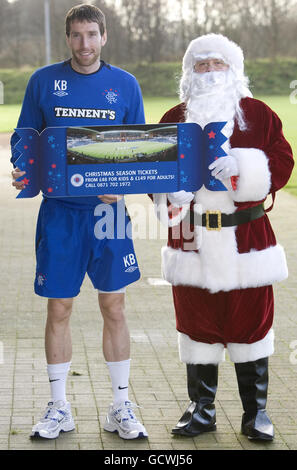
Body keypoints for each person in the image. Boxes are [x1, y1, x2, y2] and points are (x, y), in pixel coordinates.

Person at [10, 4, 147, 441]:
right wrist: (21, 168)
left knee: (115, 306)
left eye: (92, 35)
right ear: (67, 37)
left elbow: (138, 149)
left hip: (108, 214)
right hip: (60, 214)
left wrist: (122, 185)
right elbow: (24, 138)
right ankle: (59, 406)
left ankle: (121, 405)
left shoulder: (125, 85)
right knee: (59, 307)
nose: (84, 44)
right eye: (76, 36)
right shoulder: (43, 82)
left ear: (104, 37)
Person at [152, 33, 294, 440]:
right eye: (201, 65)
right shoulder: (173, 118)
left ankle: (256, 413)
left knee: (251, 326)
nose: (210, 72)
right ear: (189, 73)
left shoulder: (259, 115)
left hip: (247, 239)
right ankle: (201, 409)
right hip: (191, 238)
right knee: (198, 326)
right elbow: (153, 172)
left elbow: (283, 163)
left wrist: (242, 167)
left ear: (233, 70)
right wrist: (168, 189)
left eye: (218, 64)